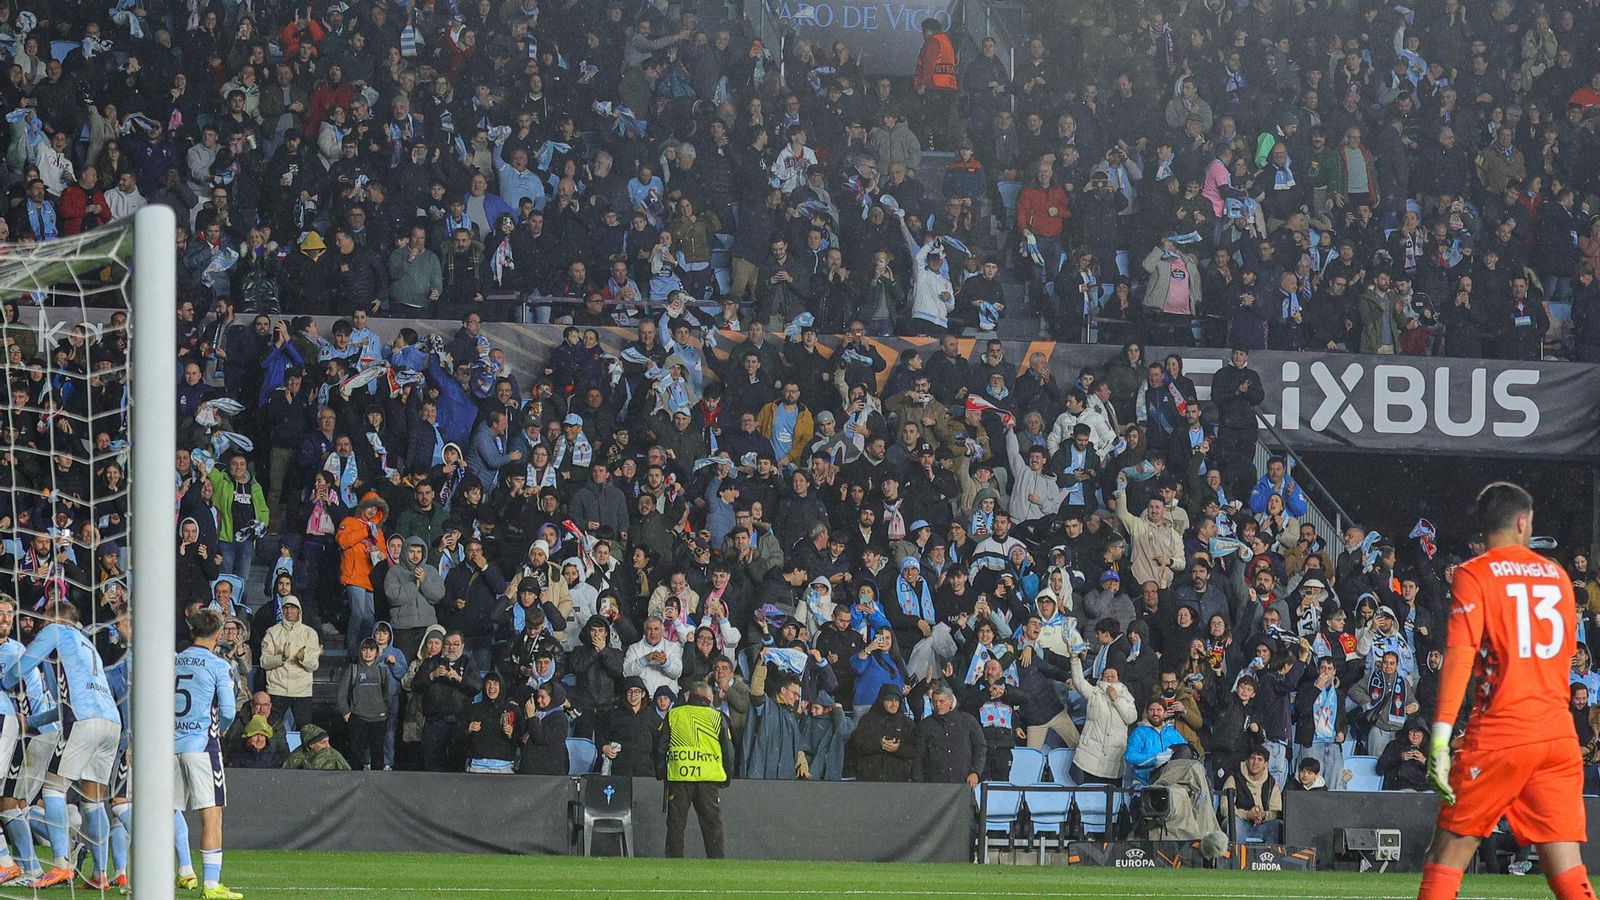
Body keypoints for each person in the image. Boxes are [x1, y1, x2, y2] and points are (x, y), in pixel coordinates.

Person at [1420, 482, 1591, 900]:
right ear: (1522, 522)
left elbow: (1459, 658)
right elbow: (1562, 659)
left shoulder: (1473, 574)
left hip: (1502, 734)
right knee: (1567, 870)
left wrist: (1440, 737)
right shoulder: (1559, 577)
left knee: (1447, 853)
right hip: (1557, 737)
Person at [1, 601, 121, 889]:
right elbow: (62, 702)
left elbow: (18, 671)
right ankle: (100, 874)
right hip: (110, 723)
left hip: (81, 720)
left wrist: (5, 679)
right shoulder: (87, 647)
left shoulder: (54, 631)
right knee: (93, 801)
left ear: (51, 619)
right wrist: (35, 721)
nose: (41, 625)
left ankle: (60, 864)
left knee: (54, 787)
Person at [173, 610, 243, 900]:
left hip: (167, 745)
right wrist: (222, 730)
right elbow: (227, 710)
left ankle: (184, 869)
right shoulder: (218, 664)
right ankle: (212, 886)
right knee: (212, 814)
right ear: (217, 636)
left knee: (171, 809)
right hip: (201, 745)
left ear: (192, 632)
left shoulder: (172, 661)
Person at [655, 681, 735, 858]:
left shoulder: (674, 714)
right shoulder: (717, 717)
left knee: (676, 824)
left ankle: (673, 862)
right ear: (708, 697)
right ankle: (716, 862)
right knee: (712, 824)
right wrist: (727, 777)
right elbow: (728, 751)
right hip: (708, 779)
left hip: (680, 776)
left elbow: (660, 745)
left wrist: (660, 772)